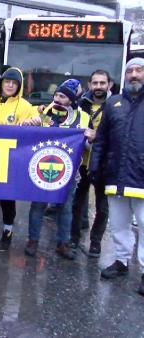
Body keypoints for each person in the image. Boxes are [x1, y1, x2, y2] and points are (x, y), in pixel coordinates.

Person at [91, 58, 144, 296]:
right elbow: (101, 140)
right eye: (130, 71)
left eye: (139, 70)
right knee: (119, 225)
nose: (134, 75)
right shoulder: (113, 103)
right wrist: (96, 168)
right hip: (115, 176)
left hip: (141, 178)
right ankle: (121, 262)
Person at [25, 79, 94, 260]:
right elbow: (29, 136)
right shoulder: (45, 113)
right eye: (56, 95)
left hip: (68, 172)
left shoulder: (83, 117)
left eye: (62, 96)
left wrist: (90, 138)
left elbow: (87, 146)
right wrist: (30, 124)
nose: (57, 99)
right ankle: (33, 241)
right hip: (41, 168)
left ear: (71, 99)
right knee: (38, 205)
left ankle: (63, 243)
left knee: (65, 208)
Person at [0, 67, 40, 250]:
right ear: (1, 83)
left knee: (7, 196)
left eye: (14, 83)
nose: (10, 86)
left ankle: (7, 231)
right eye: (7, 82)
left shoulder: (25, 106)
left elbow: (41, 120)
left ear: (19, 86)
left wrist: (36, 121)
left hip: (11, 159)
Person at [70, 70, 112, 257]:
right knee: (77, 203)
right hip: (82, 162)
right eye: (95, 83)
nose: (98, 87)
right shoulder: (80, 105)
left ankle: (95, 243)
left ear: (109, 85)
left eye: (102, 83)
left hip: (104, 164)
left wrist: (98, 136)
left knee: (103, 207)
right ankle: (74, 238)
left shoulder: (117, 105)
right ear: (89, 85)